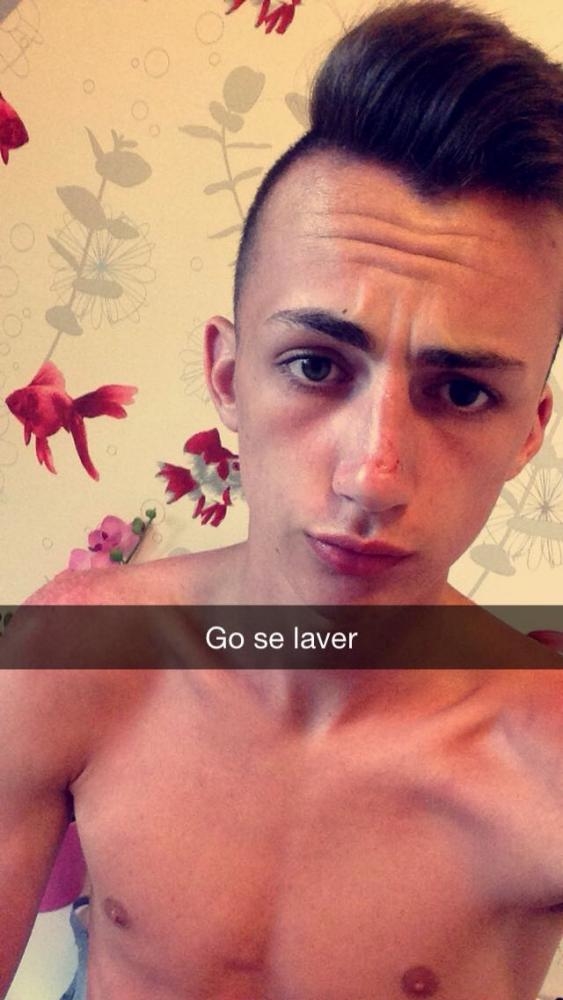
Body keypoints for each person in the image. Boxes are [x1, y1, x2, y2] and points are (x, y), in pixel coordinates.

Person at [1, 2, 563, 999]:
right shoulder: (73, 654)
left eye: (461, 392)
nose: (370, 476)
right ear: (227, 377)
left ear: (528, 429)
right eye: (314, 365)